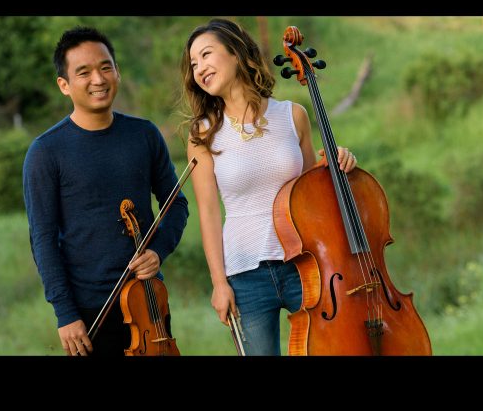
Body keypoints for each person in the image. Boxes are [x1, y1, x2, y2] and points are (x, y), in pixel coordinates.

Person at [182, 18, 357, 355]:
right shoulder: (202, 134)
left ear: (235, 54)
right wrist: (219, 283)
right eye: (193, 64)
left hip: (303, 267)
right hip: (245, 276)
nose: (199, 68)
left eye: (206, 55)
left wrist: (337, 163)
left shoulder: (293, 115)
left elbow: (312, 195)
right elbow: (208, 213)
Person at [23, 27, 189, 356]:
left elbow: (177, 205)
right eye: (83, 72)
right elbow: (42, 239)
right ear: (64, 85)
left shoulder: (144, 135)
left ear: (117, 71)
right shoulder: (46, 152)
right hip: (87, 312)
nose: (98, 79)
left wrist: (157, 252)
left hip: (148, 303)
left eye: (105, 67)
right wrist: (66, 314)